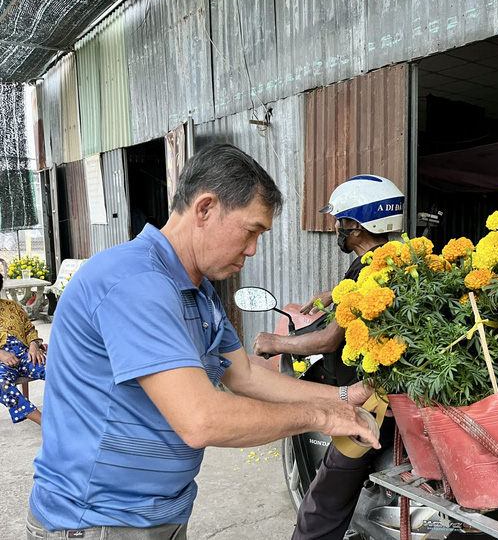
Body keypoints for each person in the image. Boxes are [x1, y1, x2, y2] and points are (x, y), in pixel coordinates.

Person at [27, 144, 379, 539]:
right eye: (251, 232)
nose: (252, 250)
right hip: (98, 521)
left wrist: (347, 397)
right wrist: (325, 418)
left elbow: (243, 374)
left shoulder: (198, 290)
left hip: (159, 513)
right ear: (205, 208)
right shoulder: (134, 282)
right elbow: (201, 419)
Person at [253, 174, 405, 540]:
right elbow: (358, 294)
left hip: (372, 400)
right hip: (392, 390)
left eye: (340, 221)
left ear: (355, 226)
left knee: (325, 497)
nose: (336, 228)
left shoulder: (370, 270)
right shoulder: (390, 260)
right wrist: (332, 294)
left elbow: (327, 340)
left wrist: (275, 343)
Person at [0, 272, 46, 425]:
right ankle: (46, 423)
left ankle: (78, 412)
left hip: (26, 354)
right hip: (1, 363)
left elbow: (29, 329)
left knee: (57, 369)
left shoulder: (11, 306)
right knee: (2, 384)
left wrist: (34, 345)